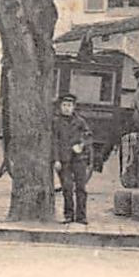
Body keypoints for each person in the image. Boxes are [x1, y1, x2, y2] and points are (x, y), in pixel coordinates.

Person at [51, 92, 94, 225]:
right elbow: (54, 142)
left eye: (69, 105)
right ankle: (68, 215)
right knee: (67, 188)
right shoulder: (56, 122)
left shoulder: (80, 121)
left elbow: (88, 136)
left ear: (74, 107)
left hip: (79, 159)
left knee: (81, 188)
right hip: (64, 160)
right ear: (60, 107)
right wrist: (56, 159)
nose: (66, 108)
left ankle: (81, 216)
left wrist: (81, 145)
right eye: (64, 105)